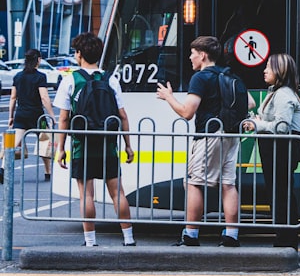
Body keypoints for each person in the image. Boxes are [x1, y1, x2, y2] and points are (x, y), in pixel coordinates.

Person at [156, 35, 251, 248]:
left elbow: (187, 112)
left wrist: (168, 97)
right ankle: (231, 235)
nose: (190, 57)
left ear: (203, 55)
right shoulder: (230, 75)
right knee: (228, 184)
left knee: (194, 183)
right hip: (230, 135)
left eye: (193, 53)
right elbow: (250, 102)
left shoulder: (201, 78)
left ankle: (190, 234)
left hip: (208, 136)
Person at [53, 33, 136, 247]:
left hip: (82, 144)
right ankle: (128, 238)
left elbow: (63, 118)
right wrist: (127, 145)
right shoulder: (110, 79)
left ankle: (90, 241)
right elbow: (123, 115)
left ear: (79, 54)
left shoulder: (71, 80)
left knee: (86, 193)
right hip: (108, 143)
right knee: (117, 192)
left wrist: (60, 148)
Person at [247, 52, 300, 249]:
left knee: (280, 193)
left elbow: (281, 127)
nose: (264, 71)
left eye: (269, 68)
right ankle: (285, 238)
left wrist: (258, 125)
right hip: (277, 149)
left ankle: (285, 239)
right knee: (280, 192)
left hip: (280, 148)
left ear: (280, 71)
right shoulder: (280, 92)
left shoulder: (282, 94)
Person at [3, 49, 56, 183]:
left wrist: (11, 116)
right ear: (38, 60)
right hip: (37, 116)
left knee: (12, 144)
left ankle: (3, 167)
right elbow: (44, 97)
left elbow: (13, 98)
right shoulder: (40, 77)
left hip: (21, 115)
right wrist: (52, 116)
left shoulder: (18, 76)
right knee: (45, 142)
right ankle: (47, 172)